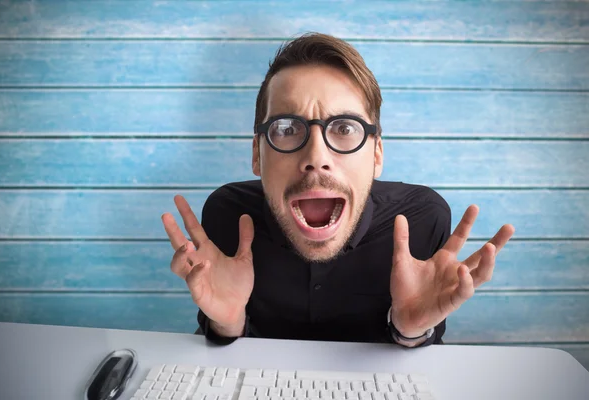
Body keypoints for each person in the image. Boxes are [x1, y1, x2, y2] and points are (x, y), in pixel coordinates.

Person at [161, 32, 515, 348]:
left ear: (376, 154)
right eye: (286, 128)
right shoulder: (227, 216)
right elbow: (221, 350)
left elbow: (421, 346)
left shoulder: (422, 219)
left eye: (344, 128)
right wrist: (227, 321)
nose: (316, 157)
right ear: (257, 154)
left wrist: (411, 330)